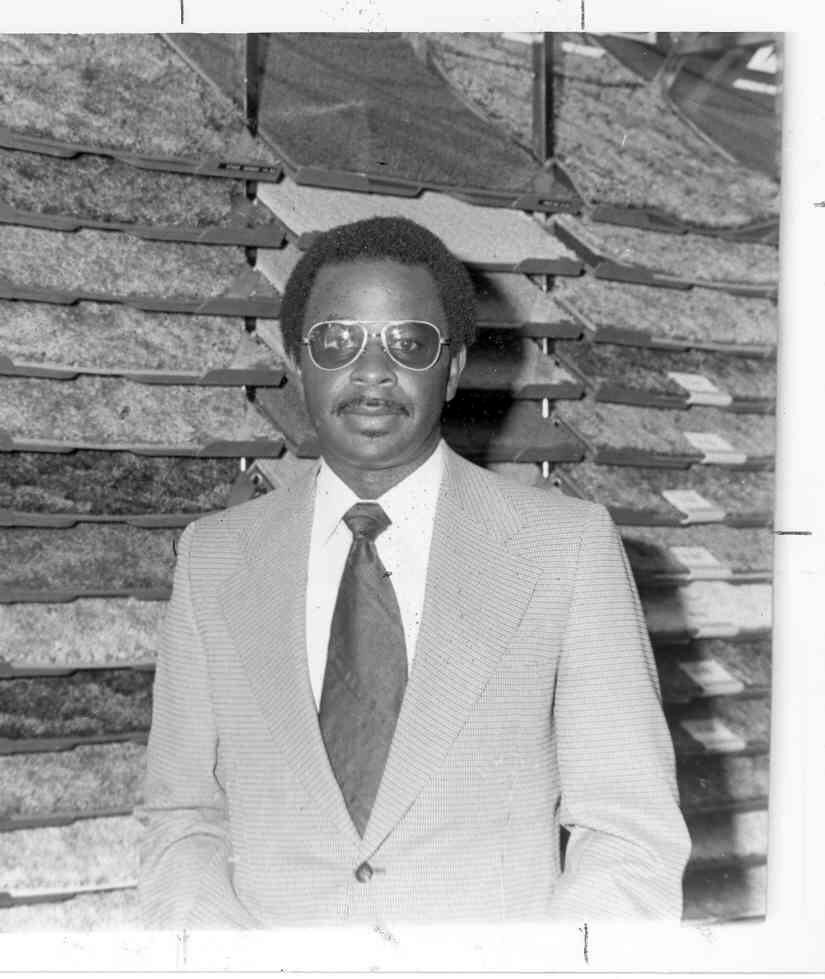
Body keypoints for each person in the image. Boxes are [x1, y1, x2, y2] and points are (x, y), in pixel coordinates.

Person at [137, 217, 689, 927]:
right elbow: (182, 819)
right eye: (337, 340)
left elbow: (629, 834)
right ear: (298, 361)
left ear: (452, 369)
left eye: (409, 344)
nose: (372, 371)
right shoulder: (213, 557)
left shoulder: (564, 548)